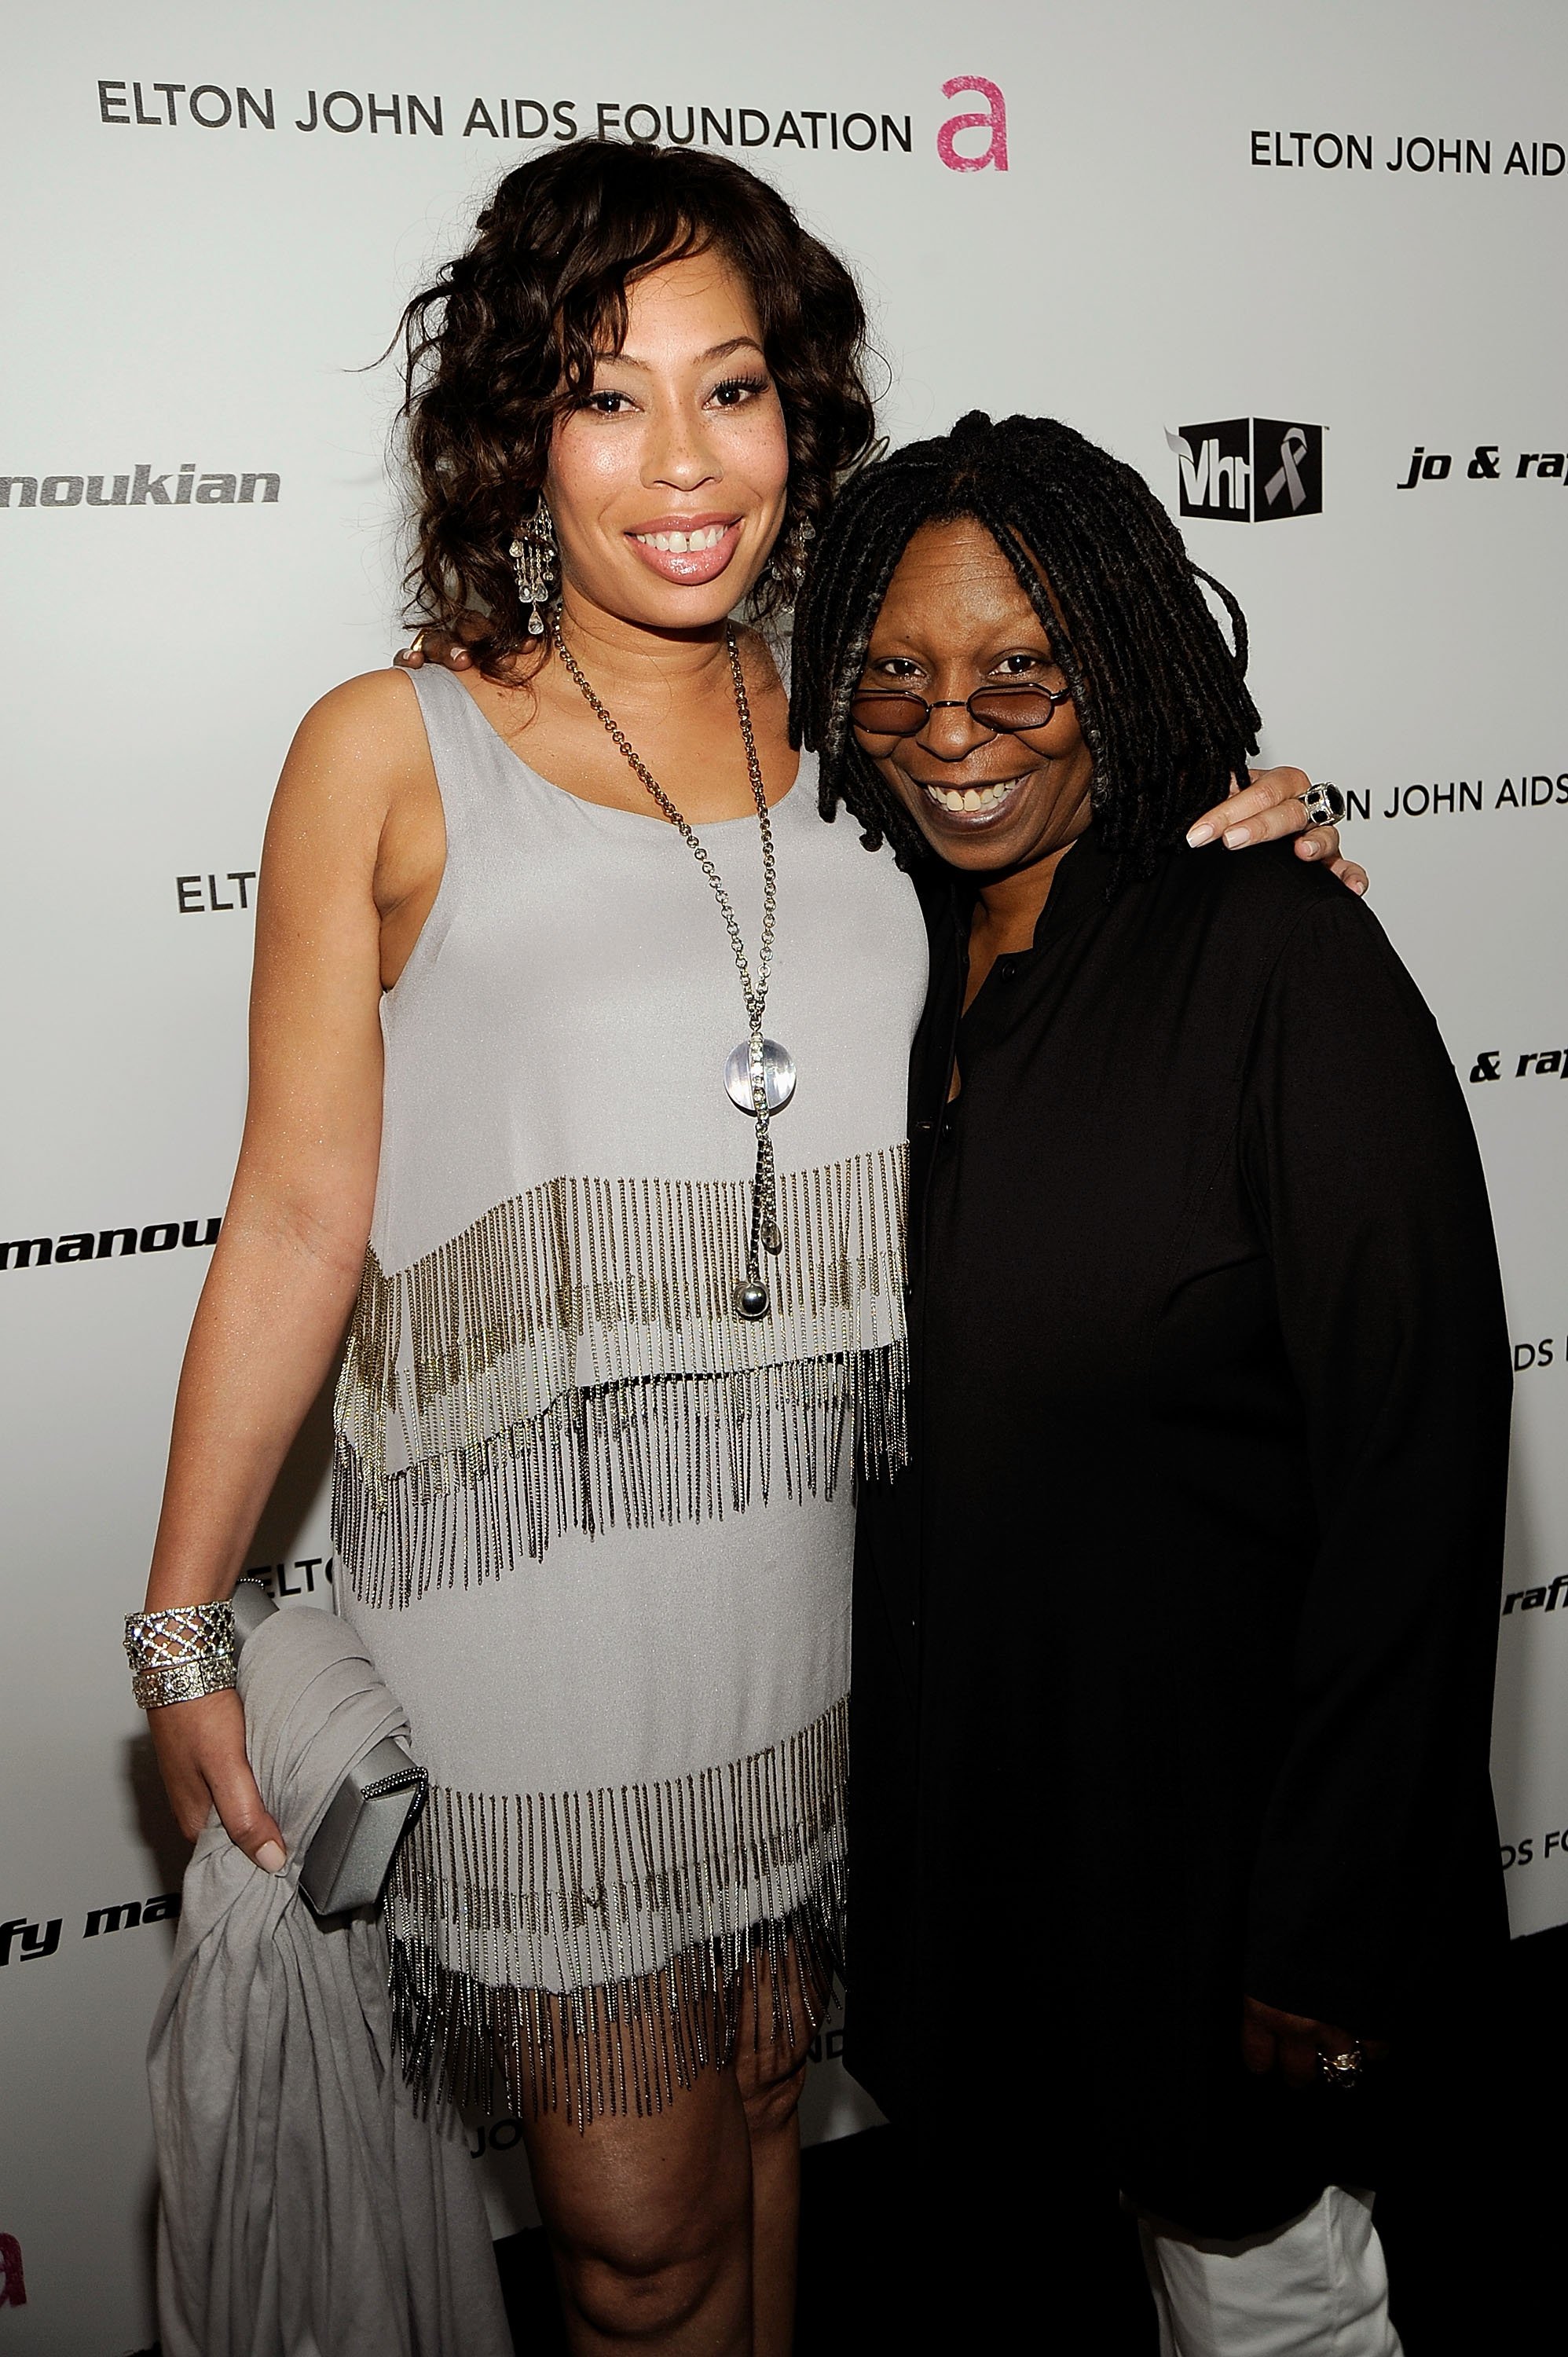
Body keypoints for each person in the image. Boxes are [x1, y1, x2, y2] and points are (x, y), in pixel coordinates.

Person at [128, 143, 1347, 2356]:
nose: (684, 465)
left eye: (737, 390)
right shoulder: (386, 757)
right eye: (610, 396)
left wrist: (1252, 847)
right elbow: (302, 1207)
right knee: (635, 2243)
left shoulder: (885, 727)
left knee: (774, 2137)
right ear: (521, 429)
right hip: (535, 1624)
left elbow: (1103, 947)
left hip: (830, 1578)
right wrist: (183, 1618)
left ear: (805, 417)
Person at [790, 410, 1511, 2354]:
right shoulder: (862, 968)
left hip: (1221, 1904)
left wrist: (1329, 1925)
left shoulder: (1278, 958)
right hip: (973, 1888)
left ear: (1121, 659)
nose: (952, 730)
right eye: (895, 676)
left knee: (1263, 2313)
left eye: (1019, 668)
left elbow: (1417, 1473)